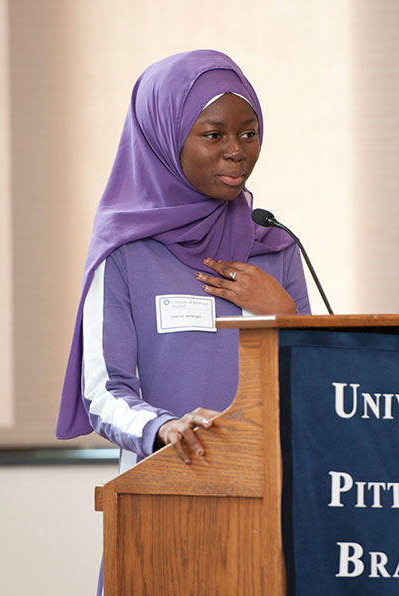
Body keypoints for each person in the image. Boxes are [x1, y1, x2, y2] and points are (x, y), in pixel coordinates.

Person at [55, 49, 310, 472]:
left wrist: (285, 314)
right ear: (165, 137)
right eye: (214, 135)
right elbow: (103, 392)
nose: (237, 152)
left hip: (269, 487)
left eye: (249, 134)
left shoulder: (276, 247)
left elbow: (313, 390)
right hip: (164, 488)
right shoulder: (125, 251)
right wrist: (166, 427)